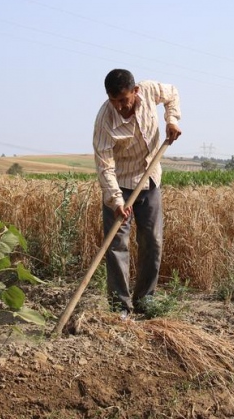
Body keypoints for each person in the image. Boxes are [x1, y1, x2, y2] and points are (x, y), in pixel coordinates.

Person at [92, 68, 182, 317]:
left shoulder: (150, 90)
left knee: (152, 241)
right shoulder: (105, 120)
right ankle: (121, 306)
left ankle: (145, 300)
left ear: (135, 91)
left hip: (150, 180)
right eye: (114, 101)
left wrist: (172, 120)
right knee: (117, 245)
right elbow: (104, 165)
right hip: (119, 184)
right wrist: (116, 200)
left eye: (124, 100)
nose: (120, 106)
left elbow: (172, 93)